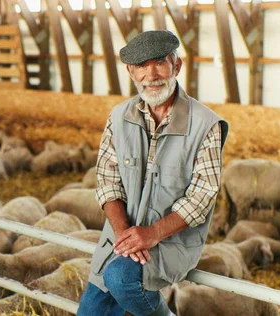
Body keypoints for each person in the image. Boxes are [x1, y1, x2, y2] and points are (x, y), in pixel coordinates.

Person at [77, 30, 229, 316]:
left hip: (171, 241)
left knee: (120, 277)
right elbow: (108, 180)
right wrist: (125, 237)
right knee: (90, 311)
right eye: (141, 66)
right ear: (131, 72)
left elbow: (202, 197)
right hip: (121, 237)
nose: (152, 74)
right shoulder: (118, 117)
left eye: (159, 62)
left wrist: (151, 234)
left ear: (177, 65)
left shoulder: (206, 125)